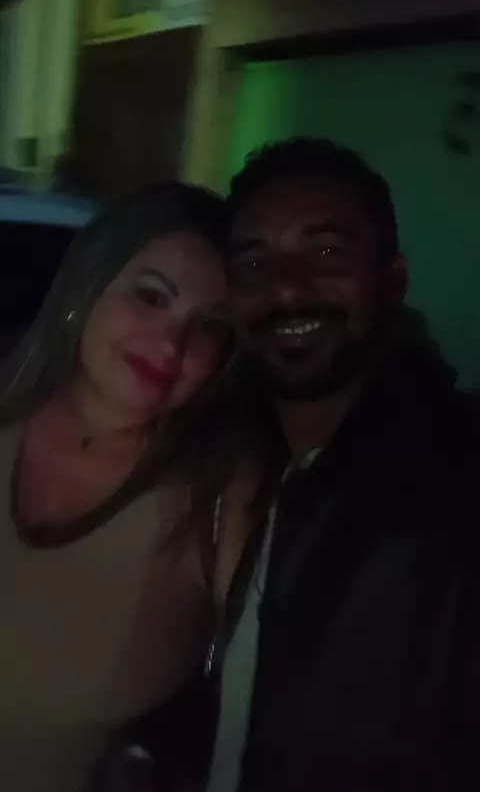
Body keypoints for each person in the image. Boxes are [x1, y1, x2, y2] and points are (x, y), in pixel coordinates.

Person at [205, 138, 480, 791]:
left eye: (327, 254)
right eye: (254, 263)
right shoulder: (260, 470)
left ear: (393, 283)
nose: (287, 288)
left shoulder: (450, 491)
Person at [0, 182, 246, 792]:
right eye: (151, 296)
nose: (171, 342)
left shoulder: (221, 492)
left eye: (209, 326)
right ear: (87, 287)